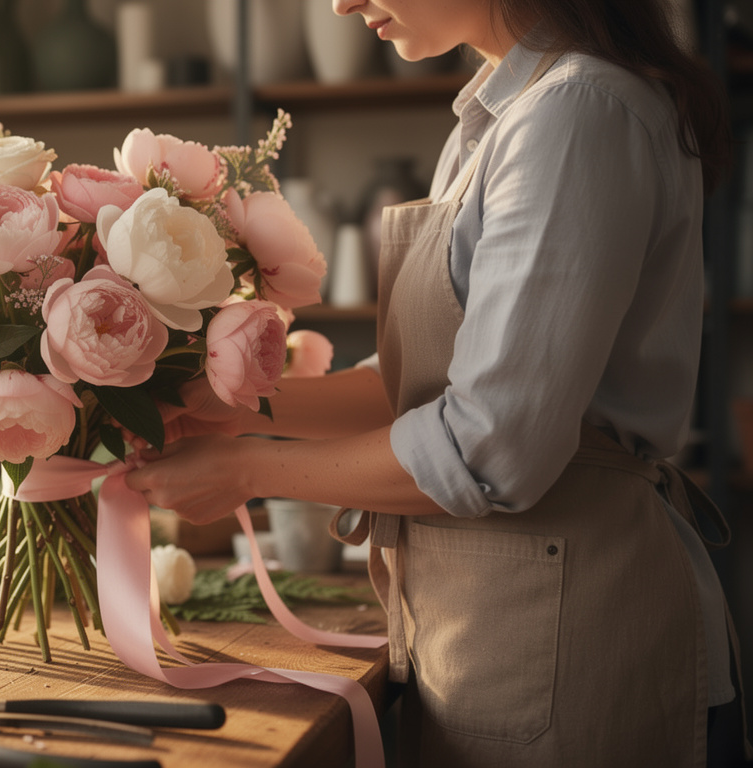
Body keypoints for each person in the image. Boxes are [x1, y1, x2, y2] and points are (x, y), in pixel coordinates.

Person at [124, 0, 751, 765]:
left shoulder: (577, 113)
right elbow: (420, 387)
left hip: (580, 637)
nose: (339, 3)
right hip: (500, 627)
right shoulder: (502, 113)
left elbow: (487, 443)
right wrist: (227, 407)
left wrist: (249, 467)